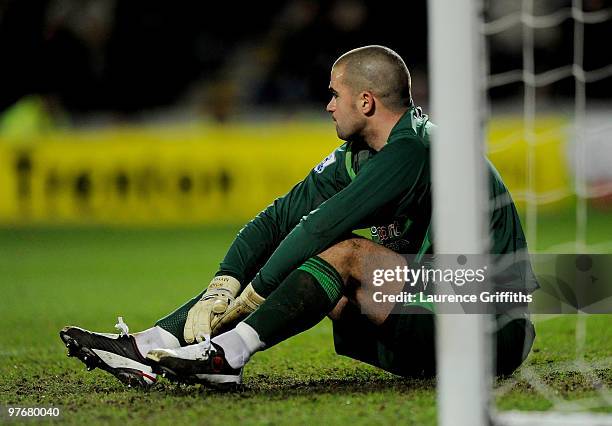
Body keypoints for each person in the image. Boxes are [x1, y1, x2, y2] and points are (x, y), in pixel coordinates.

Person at [60, 45, 538, 388]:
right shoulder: (359, 153)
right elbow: (278, 219)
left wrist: (254, 295)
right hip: (432, 313)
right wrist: (224, 284)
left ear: (366, 101)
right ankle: (150, 343)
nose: (328, 104)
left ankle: (227, 356)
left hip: (491, 321)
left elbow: (320, 228)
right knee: (317, 272)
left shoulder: (414, 147)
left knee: (343, 253)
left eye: (335, 94)